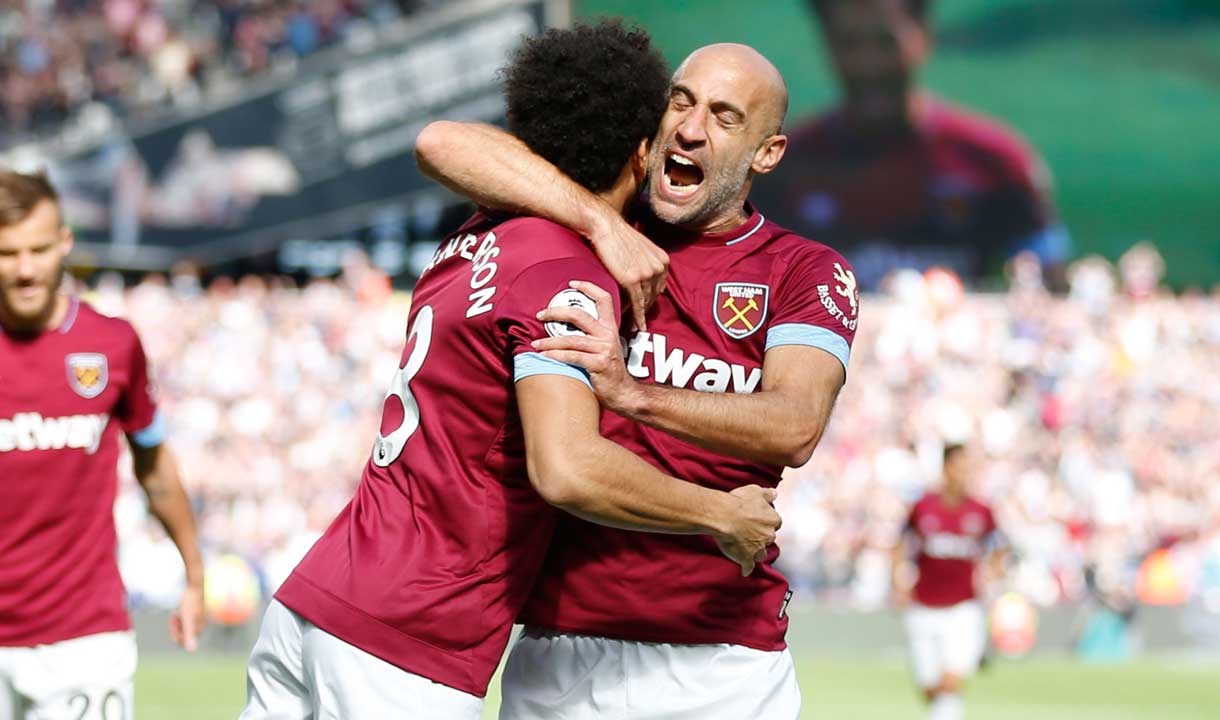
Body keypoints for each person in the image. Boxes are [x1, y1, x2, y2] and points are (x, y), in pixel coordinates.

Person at [239, 23, 782, 720]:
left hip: (315, 602)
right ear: (642, 150)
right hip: (410, 640)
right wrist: (719, 514)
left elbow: (443, 143)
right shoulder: (566, 272)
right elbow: (567, 468)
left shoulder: (475, 234)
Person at [415, 42, 857, 719]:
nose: (690, 126)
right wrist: (597, 220)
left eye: (724, 116)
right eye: (681, 100)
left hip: (721, 662)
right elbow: (443, 142)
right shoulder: (591, 224)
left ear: (766, 154)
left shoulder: (801, 271)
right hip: (558, 650)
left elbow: (795, 425)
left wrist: (631, 393)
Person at [0, 169, 204, 720]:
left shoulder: (111, 345)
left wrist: (194, 574)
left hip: (83, 638)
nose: (24, 269)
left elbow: (155, 467)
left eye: (38, 249)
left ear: (65, 242)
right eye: (7, 252)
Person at [757, 0, 1069, 289]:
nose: (869, 64)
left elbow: (1052, 288)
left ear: (923, 38)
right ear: (828, 46)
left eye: (885, 41)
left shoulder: (992, 160)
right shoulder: (786, 168)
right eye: (850, 43)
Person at [891, 443, 1007, 720]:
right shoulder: (923, 507)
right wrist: (898, 581)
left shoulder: (982, 510)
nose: (966, 472)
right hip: (924, 607)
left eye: (970, 466)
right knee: (930, 689)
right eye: (960, 465)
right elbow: (899, 543)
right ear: (947, 468)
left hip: (963, 609)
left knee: (951, 681)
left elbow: (999, 547)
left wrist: (993, 572)